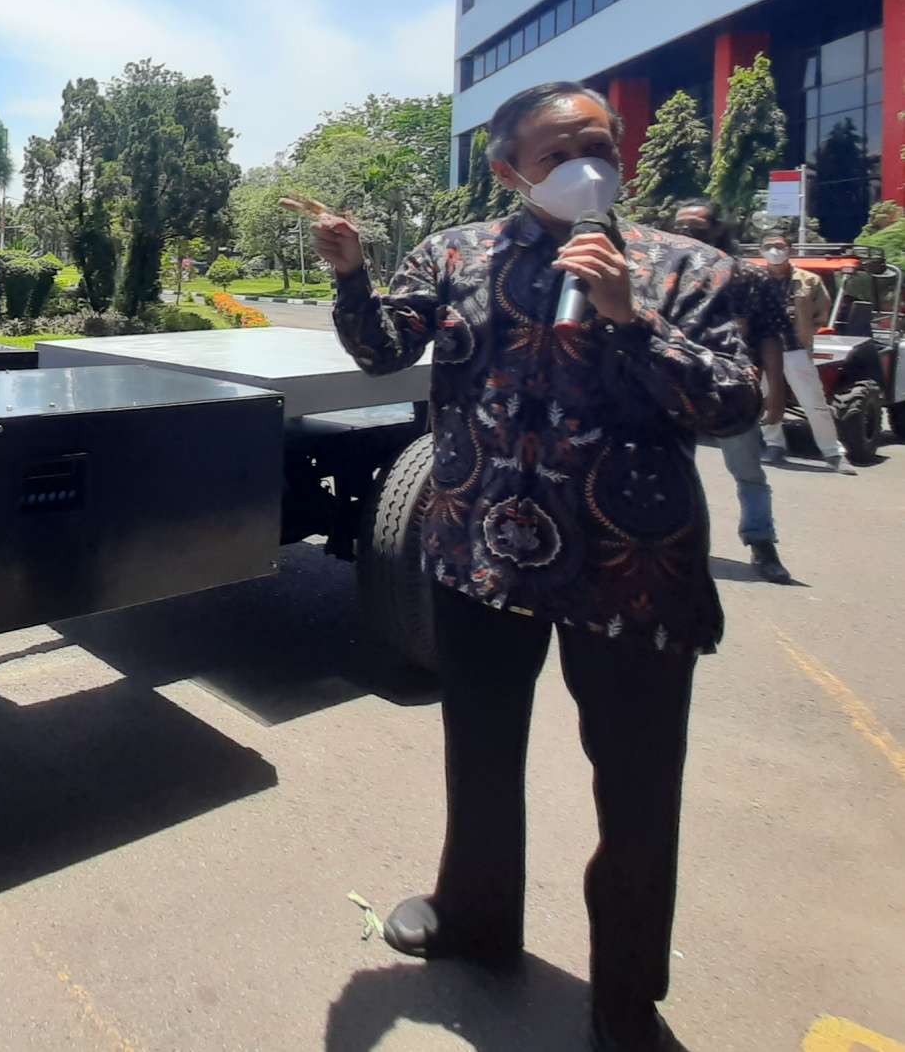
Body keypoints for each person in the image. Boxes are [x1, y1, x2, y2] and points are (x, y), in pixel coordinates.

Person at [300, 81, 757, 1052]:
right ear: (508, 168)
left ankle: (627, 998)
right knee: (481, 755)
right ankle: (477, 918)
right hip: (484, 559)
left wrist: (630, 316)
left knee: (636, 793)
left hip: (632, 575)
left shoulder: (686, 266)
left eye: (601, 142)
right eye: (558, 150)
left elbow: (733, 404)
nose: (588, 161)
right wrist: (353, 274)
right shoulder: (456, 253)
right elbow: (385, 351)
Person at [670, 202, 798, 583]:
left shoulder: (746, 277)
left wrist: (776, 393)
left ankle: (762, 544)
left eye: (698, 226)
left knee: (748, 472)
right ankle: (672, 544)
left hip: (731, 391)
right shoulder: (662, 272)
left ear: (718, 229)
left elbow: (770, 336)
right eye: (682, 226)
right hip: (671, 386)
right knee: (668, 468)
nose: (689, 233)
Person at [755, 231, 850, 473]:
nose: (775, 250)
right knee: (767, 399)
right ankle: (774, 445)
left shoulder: (809, 280)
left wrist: (805, 331)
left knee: (814, 402)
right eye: (769, 246)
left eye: (779, 245)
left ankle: (833, 453)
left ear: (790, 249)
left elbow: (822, 311)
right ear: (761, 251)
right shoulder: (753, 279)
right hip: (764, 351)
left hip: (795, 349)